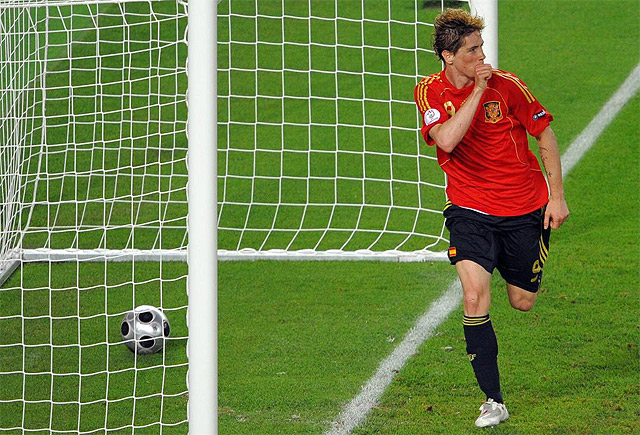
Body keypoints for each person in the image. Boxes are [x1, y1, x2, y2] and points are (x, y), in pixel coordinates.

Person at [413, 8, 570, 428]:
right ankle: (493, 401)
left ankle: (505, 260)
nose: (482, 56)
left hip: (523, 208)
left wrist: (556, 197)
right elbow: (446, 140)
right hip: (470, 210)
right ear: (448, 56)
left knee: (523, 301)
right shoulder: (429, 91)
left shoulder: (509, 85)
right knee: (473, 298)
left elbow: (544, 133)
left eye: (481, 47)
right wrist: (478, 91)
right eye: (472, 50)